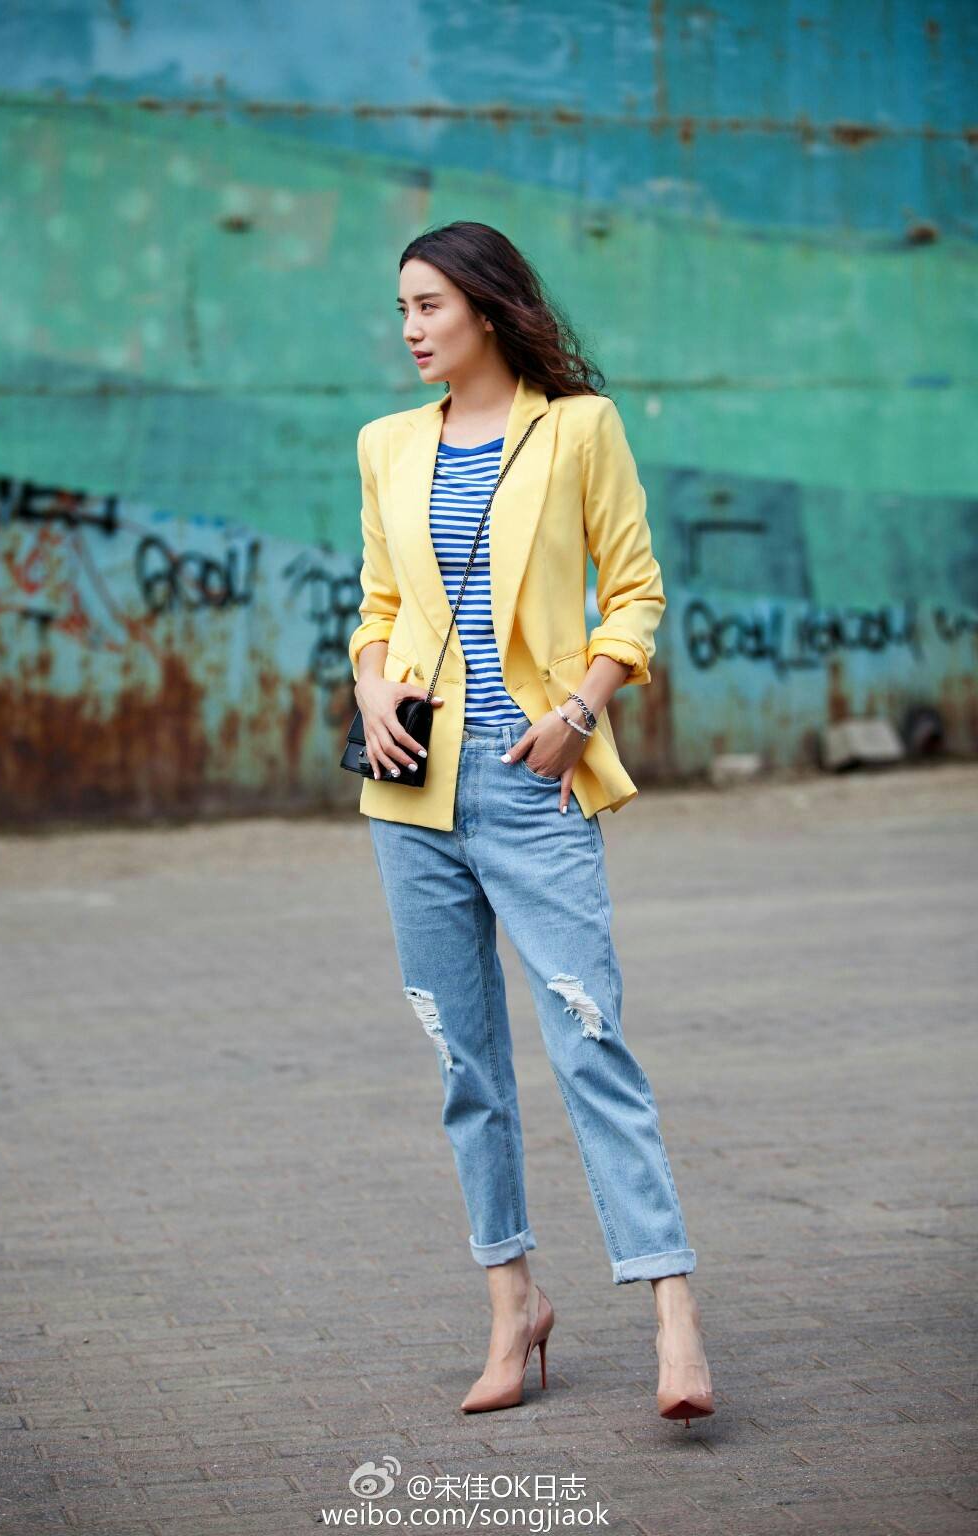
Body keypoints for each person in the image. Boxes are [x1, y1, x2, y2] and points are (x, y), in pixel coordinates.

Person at [348, 220, 714, 1426]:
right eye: (402, 309)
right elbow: (379, 604)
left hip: (532, 777)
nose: (411, 330)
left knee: (589, 1037)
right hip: (411, 787)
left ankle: (671, 1311)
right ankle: (512, 1304)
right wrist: (369, 684)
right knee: (463, 1061)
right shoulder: (387, 445)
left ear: (488, 307)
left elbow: (636, 591)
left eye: (430, 306)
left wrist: (578, 710)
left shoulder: (578, 430)